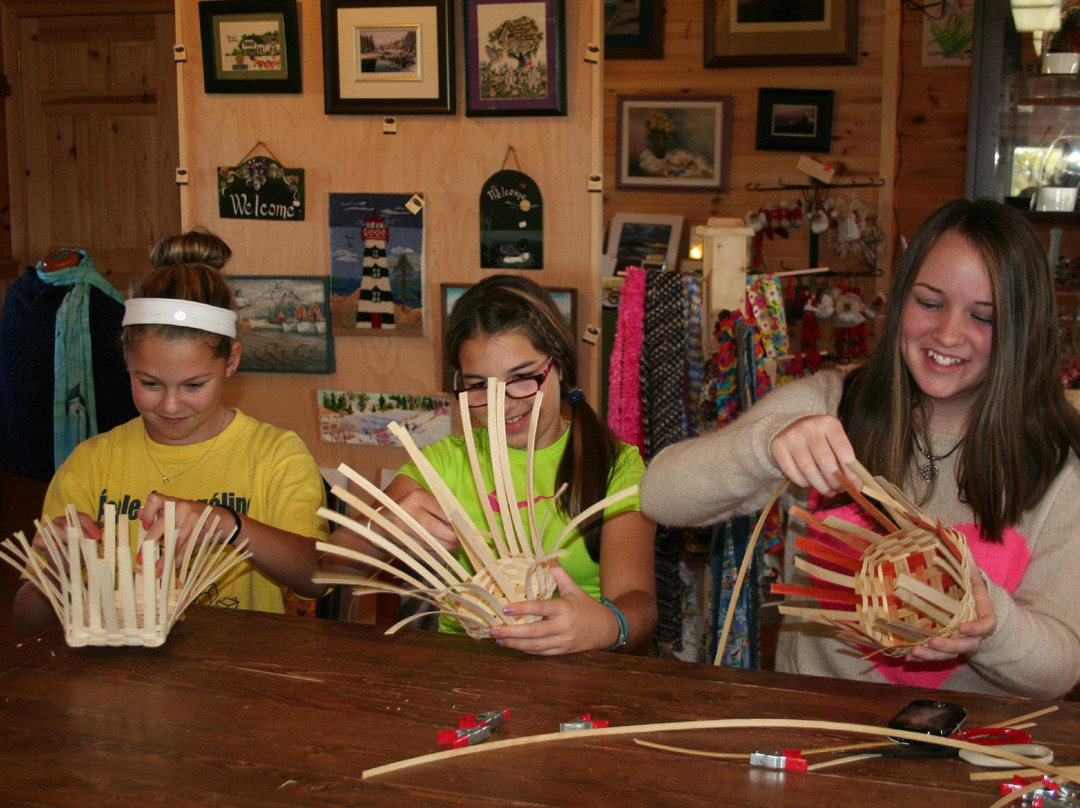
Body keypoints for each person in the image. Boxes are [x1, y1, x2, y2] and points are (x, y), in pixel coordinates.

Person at [641, 198, 1080, 699]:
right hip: (814, 727)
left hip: (974, 741)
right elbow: (659, 495)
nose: (948, 334)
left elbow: (1059, 669)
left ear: (1023, 330)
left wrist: (989, 623)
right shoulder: (830, 405)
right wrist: (766, 446)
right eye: (929, 303)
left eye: (984, 317)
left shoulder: (1059, 469)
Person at [13, 243, 329, 636]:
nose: (171, 405)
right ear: (126, 358)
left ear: (231, 361)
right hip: (117, 668)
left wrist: (230, 525)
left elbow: (315, 579)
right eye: (150, 383)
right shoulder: (91, 463)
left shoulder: (276, 456)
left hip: (236, 665)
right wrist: (59, 574)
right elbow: (25, 625)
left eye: (194, 385)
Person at [333, 275, 657, 655]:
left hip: (579, 669)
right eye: (479, 386)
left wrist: (606, 625)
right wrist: (381, 528)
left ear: (560, 366)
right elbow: (324, 571)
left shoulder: (615, 466)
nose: (502, 403)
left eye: (521, 378)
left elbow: (640, 607)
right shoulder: (444, 464)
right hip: (463, 670)